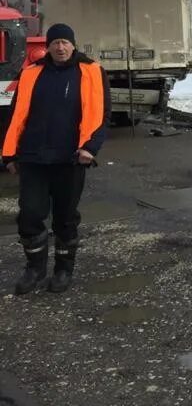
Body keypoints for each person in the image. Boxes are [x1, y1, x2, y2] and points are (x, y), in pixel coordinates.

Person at [2, 23, 111, 295]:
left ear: (73, 44)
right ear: (47, 46)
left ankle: (63, 269)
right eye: (55, 43)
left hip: (70, 159)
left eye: (65, 42)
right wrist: (9, 154)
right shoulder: (30, 73)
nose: (60, 47)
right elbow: (16, 117)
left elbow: (101, 114)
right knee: (29, 215)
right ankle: (35, 269)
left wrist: (90, 148)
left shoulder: (91, 72)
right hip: (33, 159)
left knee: (65, 218)